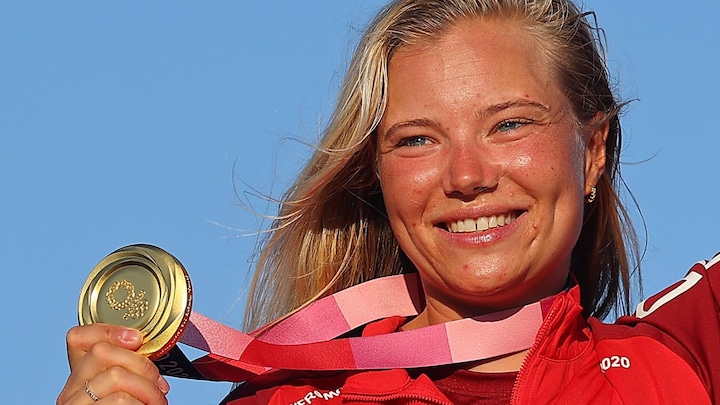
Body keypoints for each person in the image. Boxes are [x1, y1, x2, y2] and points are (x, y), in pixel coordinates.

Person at [57, 0, 720, 404]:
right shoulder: (279, 402)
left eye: (510, 124)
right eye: (417, 139)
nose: (466, 175)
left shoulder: (686, 356)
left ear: (593, 150)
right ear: (377, 176)